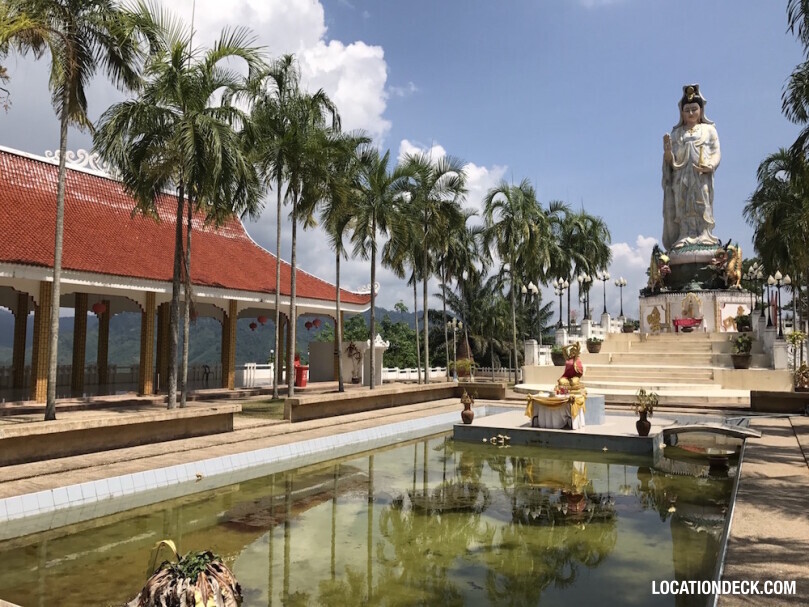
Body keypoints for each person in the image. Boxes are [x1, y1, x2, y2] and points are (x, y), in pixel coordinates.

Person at [662, 84, 721, 251]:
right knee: (682, 203)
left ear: (701, 110)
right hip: (681, 176)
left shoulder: (709, 130)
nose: (690, 113)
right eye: (687, 110)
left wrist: (711, 165)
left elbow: (716, 152)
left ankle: (704, 233)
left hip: (701, 174)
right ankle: (684, 233)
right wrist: (667, 153)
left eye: (694, 109)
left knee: (702, 201)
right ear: (681, 112)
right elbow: (670, 161)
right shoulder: (676, 133)